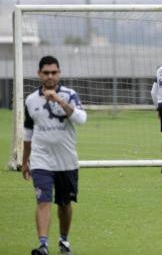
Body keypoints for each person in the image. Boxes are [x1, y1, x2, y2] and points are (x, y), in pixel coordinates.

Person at [21, 56, 87, 255]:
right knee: (43, 201)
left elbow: (82, 119)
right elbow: (28, 132)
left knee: (65, 204)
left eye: (54, 72)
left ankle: (64, 241)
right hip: (41, 160)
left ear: (59, 73)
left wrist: (58, 100)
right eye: (46, 72)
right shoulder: (31, 100)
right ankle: (43, 245)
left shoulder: (70, 94)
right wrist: (25, 161)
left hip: (66, 161)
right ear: (39, 74)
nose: (50, 76)